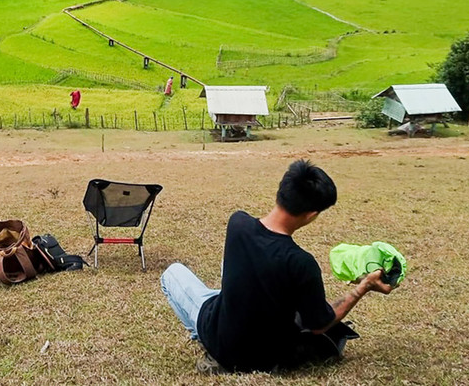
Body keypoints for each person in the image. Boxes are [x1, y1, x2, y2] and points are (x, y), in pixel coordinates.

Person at [160, 160, 395, 374]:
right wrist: (362, 287)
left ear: (281, 191)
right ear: (312, 214)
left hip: (222, 340)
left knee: (172, 274)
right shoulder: (301, 262)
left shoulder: (238, 223)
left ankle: (205, 339)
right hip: (268, 357)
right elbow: (319, 325)